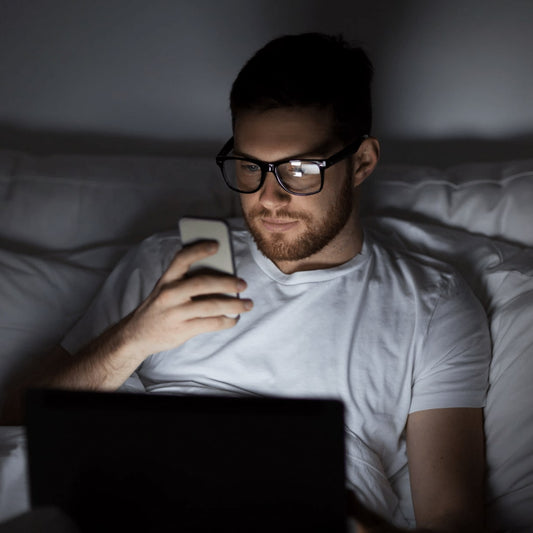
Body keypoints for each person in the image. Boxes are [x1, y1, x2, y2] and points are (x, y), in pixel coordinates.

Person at [3, 33, 490, 532]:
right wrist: (135, 337)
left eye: (300, 170)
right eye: (249, 167)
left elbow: (451, 518)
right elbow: (16, 419)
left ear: (362, 161)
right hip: (133, 498)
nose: (268, 197)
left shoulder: (433, 306)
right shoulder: (167, 260)